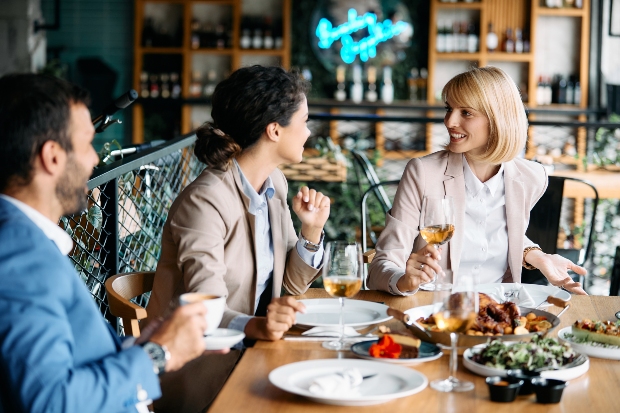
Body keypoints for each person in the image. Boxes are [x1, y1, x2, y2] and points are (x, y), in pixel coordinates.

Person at [0, 73, 225, 413]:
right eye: (88, 143)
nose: (95, 159)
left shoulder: (25, 238)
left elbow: (75, 358)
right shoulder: (19, 252)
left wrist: (152, 343)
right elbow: (50, 402)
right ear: (52, 157)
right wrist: (158, 355)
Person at [144, 65, 330, 411]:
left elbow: (291, 286)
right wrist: (258, 326)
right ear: (274, 130)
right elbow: (205, 309)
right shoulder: (206, 201)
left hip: (258, 356)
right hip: (202, 372)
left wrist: (312, 230)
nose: (308, 132)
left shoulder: (276, 184)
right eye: (304, 121)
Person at [368, 66, 587, 296]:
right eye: (449, 109)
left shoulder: (531, 177)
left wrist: (536, 255)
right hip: (434, 311)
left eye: (466, 112)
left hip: (498, 313)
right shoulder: (423, 172)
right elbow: (383, 263)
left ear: (498, 119)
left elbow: (497, 230)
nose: (449, 121)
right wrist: (404, 281)